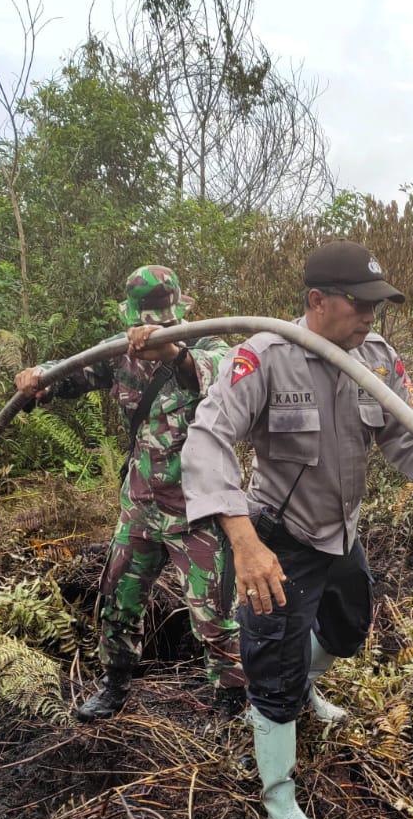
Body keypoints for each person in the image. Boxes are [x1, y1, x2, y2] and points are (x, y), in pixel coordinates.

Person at [180, 240, 413, 819]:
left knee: (348, 630)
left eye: (377, 304)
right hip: (280, 539)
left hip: (339, 533)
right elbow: (205, 442)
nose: (371, 316)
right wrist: (244, 543)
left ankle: (305, 687)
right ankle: (280, 806)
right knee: (271, 670)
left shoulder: (374, 357)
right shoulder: (263, 357)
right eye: (359, 303)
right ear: (317, 300)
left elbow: (409, 434)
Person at [14, 265, 246, 722]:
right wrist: (38, 378)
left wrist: (173, 353)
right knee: (118, 599)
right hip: (140, 507)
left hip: (197, 511)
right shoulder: (120, 353)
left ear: (180, 313)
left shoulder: (208, 347)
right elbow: (69, 375)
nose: (147, 329)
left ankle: (231, 704)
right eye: (144, 321)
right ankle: (114, 685)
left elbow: (221, 374)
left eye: (160, 320)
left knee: (214, 617)